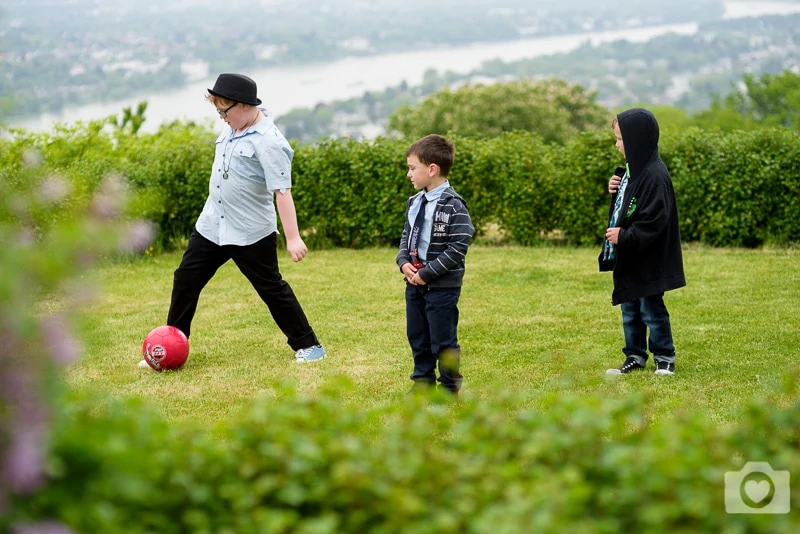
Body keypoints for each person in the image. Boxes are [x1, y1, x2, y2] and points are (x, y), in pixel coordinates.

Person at [141, 72, 325, 367]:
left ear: (243, 106)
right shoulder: (231, 128)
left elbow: (283, 191)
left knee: (271, 289)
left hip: (251, 232)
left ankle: (310, 346)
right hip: (212, 225)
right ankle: (171, 346)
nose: (220, 117)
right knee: (185, 279)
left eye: (223, 111)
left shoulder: (270, 141)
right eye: (217, 111)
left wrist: (293, 238)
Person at [599, 108, 685, 376]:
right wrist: (616, 188)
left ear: (637, 139)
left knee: (651, 307)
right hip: (631, 257)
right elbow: (628, 207)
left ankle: (664, 357)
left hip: (648, 257)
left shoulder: (655, 175)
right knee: (630, 308)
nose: (617, 144)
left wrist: (624, 236)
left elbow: (654, 220)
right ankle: (634, 355)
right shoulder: (632, 172)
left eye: (621, 139)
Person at [396, 134, 475, 394]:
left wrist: (428, 273)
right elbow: (406, 237)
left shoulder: (455, 206)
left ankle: (450, 386)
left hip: (442, 286)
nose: (409, 174)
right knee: (417, 335)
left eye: (411, 168)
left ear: (432, 169)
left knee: (442, 339)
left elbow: (458, 247)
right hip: (414, 284)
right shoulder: (414, 202)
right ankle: (423, 381)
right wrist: (403, 262)